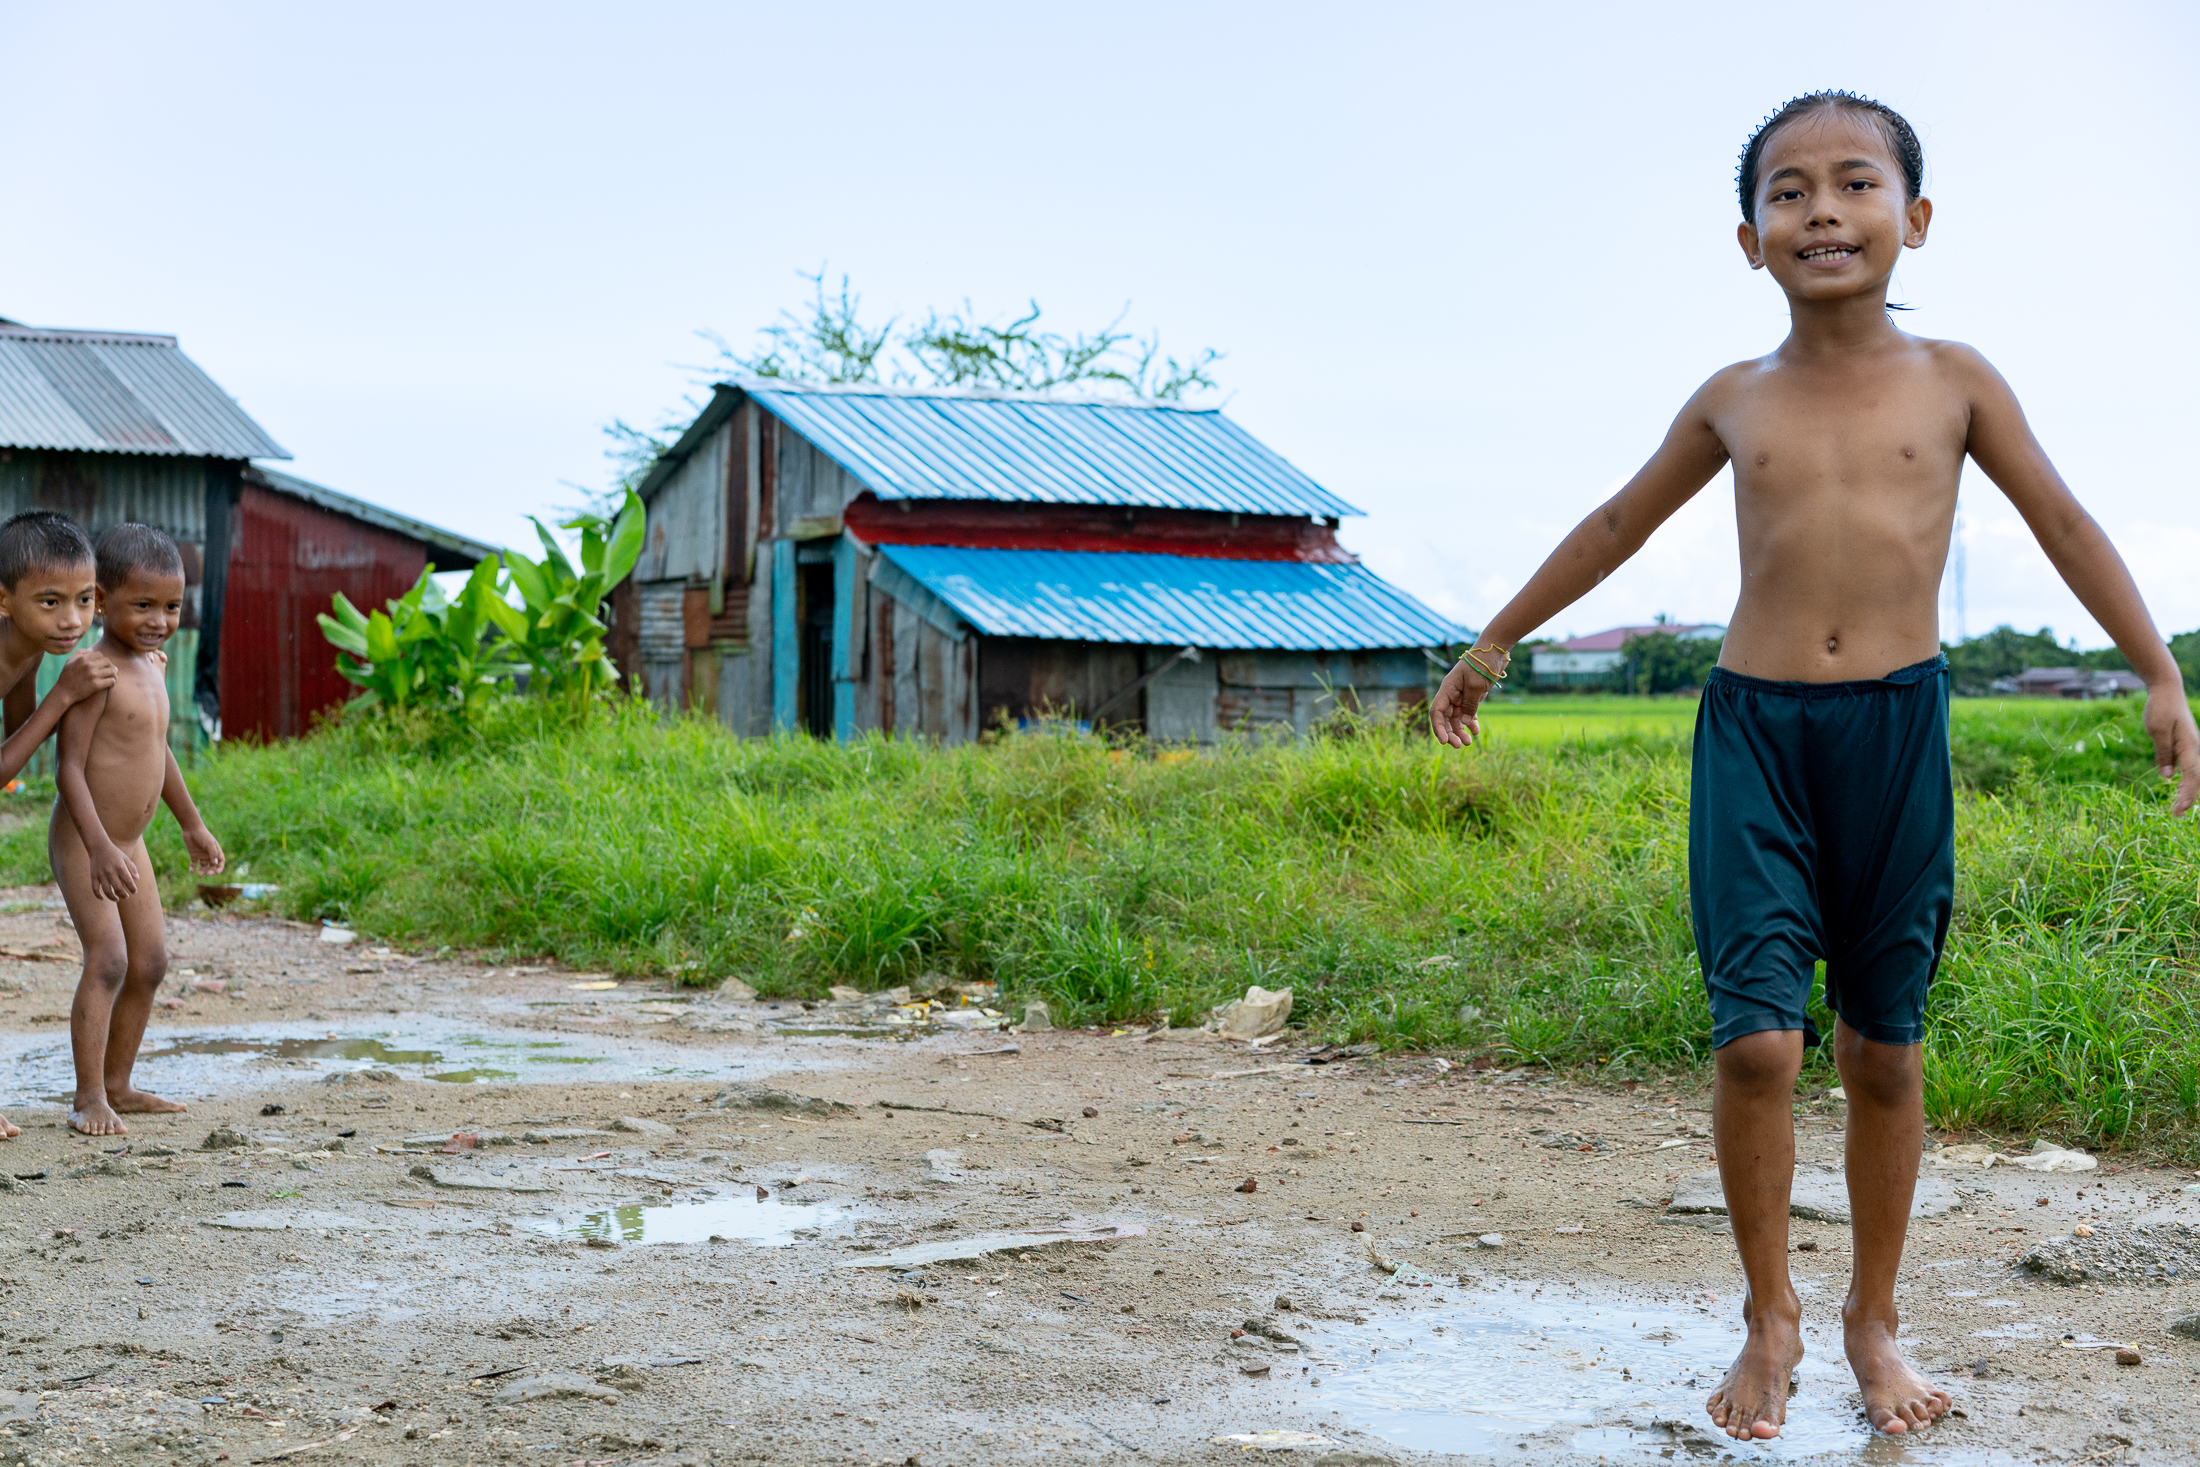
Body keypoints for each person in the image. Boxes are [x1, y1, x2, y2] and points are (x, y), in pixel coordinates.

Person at [1430, 91, 2200, 1440]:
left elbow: (2065, 516)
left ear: (1914, 218)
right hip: (1754, 731)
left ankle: (1872, 1315)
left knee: (1883, 1052)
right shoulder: (1734, 399)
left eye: (1854, 184)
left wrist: (2154, 665)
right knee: (1758, 1044)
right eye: (1789, 192)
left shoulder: (1958, 381)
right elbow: (1618, 518)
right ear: (1748, 237)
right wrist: (1496, 637)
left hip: (1896, 733)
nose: (1823, 211)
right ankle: (1769, 1309)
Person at [54, 523, 224, 1137]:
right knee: (109, 960)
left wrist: (192, 824)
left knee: (150, 962)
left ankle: (120, 1086)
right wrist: (98, 845)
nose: (159, 620)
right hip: (87, 840)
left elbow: (159, 752)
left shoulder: (152, 667)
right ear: (101, 601)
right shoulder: (95, 671)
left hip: (131, 843)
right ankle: (87, 1097)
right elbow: (67, 768)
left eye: (172, 606)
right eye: (143, 605)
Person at [0, 511, 121, 1141]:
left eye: (82, 600)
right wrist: (62, 696)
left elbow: (17, 736)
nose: (72, 621)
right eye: (50, 602)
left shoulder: (25, 655)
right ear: (3, 599)